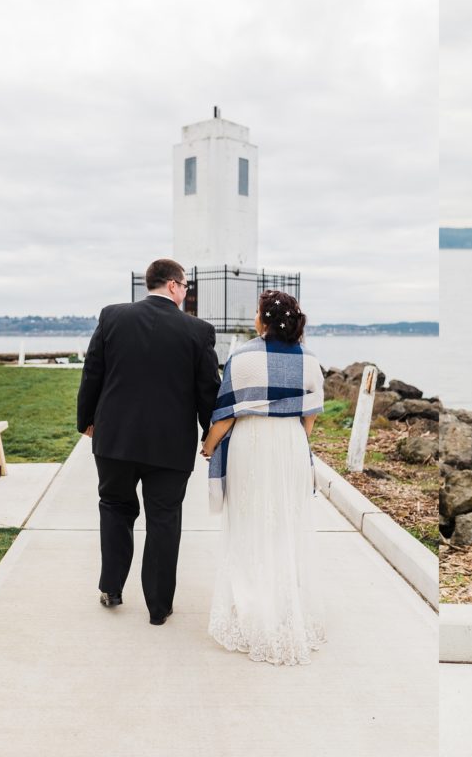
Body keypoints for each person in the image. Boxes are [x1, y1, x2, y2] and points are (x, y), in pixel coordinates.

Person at [77, 258, 220, 625]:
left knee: (113, 507)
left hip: (115, 439)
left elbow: (93, 371)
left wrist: (87, 421)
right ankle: (158, 607)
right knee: (164, 520)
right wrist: (211, 437)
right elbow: (208, 392)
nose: (187, 293)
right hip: (169, 446)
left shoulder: (112, 317)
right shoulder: (198, 331)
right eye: (186, 286)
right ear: (172, 285)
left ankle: (111, 588)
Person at [201, 289, 326, 665]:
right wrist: (293, 439)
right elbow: (311, 414)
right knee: (283, 525)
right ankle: (285, 605)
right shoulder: (309, 359)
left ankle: (252, 608)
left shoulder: (241, 357)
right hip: (289, 442)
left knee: (248, 524)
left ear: (263, 320)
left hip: (251, 444)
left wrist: (209, 447)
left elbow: (224, 415)